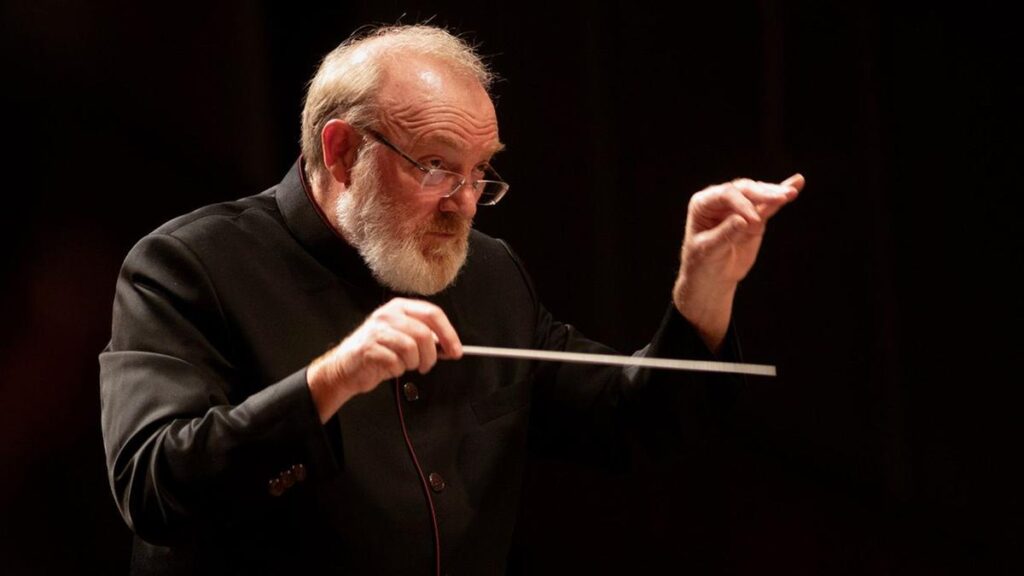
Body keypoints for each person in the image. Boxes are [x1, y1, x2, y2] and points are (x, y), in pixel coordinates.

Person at [100, 24, 802, 575]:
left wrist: (704, 288)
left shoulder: (489, 274)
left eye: (480, 172)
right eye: (436, 167)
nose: (464, 204)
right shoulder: (188, 267)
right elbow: (154, 490)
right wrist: (331, 379)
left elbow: (634, 423)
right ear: (341, 153)